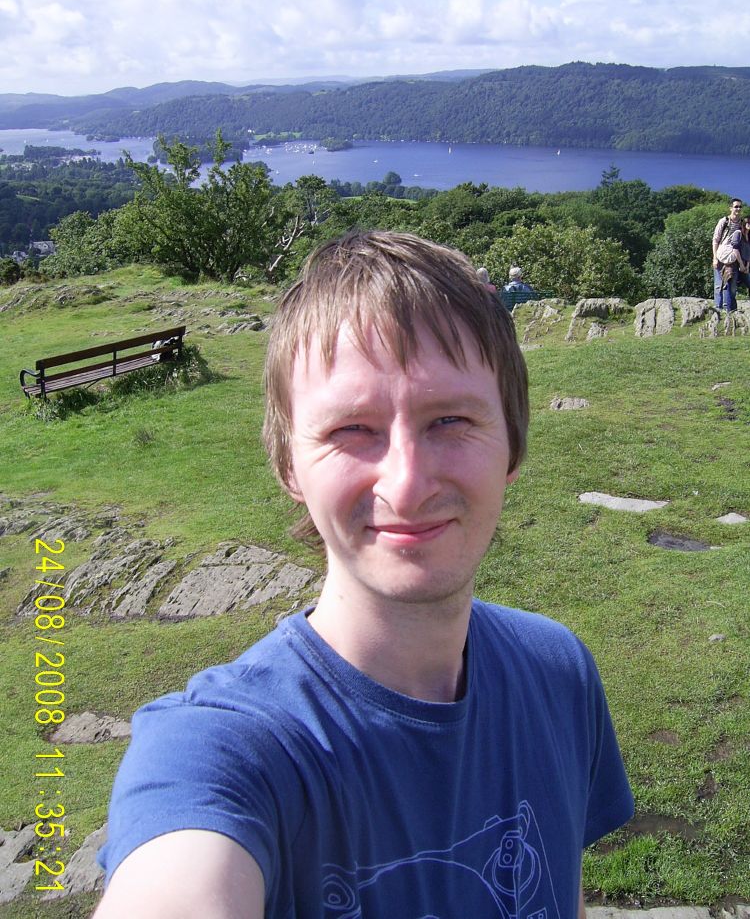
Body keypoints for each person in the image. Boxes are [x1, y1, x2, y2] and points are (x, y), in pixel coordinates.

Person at [94, 232, 634, 919]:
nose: (406, 485)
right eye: (353, 430)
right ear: (290, 467)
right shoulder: (221, 752)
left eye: (450, 420)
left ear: (513, 446)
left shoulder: (558, 674)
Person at [712, 198, 744, 311]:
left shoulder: (742, 223)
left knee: (731, 287)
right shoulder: (724, 221)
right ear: (731, 208)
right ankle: (717, 308)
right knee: (718, 285)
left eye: (740, 206)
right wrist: (715, 258)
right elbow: (715, 240)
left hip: (734, 259)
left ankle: (728, 310)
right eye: (736, 206)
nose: (738, 209)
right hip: (721, 256)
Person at [736, 217, 750, 296]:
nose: (749, 225)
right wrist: (740, 264)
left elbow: (748, 253)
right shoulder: (739, 234)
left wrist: (747, 266)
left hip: (745, 264)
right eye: (747, 223)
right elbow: (735, 250)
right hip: (736, 263)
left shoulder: (749, 237)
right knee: (732, 286)